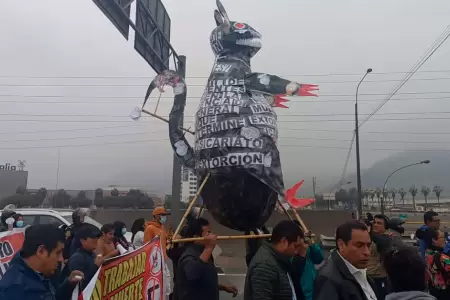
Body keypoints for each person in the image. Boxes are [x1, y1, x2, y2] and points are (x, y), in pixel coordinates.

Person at [0, 224, 84, 299]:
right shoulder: (14, 291)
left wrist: (69, 284)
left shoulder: (39, 273)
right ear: (41, 251)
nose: (61, 259)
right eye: (58, 252)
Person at [177, 217, 238, 300]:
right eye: (208, 233)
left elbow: (201, 281)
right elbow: (193, 275)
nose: (212, 235)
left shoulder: (202, 251)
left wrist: (221, 287)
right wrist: (209, 248)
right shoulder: (189, 256)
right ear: (196, 237)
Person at [314, 221, 376, 300]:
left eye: (368, 245)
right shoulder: (329, 280)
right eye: (359, 245)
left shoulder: (359, 270)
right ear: (341, 245)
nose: (367, 252)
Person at [244, 220, 305, 300]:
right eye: (296, 246)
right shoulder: (265, 266)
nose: (296, 251)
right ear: (284, 241)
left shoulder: (279, 260)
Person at [67, 224, 104, 290]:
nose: (96, 240)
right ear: (82, 240)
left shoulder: (92, 255)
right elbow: (80, 284)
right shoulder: (77, 258)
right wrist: (96, 266)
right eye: (93, 237)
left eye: (97, 237)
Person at [292, 221, 324, 300]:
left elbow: (319, 259)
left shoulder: (307, 248)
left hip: (315, 291)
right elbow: (295, 272)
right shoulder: (291, 252)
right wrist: (301, 253)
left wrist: (312, 244)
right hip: (304, 295)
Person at [368, 214, 391, 300]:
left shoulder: (386, 239)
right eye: (374, 222)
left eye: (379, 223)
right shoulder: (371, 237)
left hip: (379, 277)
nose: (375, 225)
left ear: (386, 227)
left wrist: (369, 231)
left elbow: (382, 242)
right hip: (367, 276)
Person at [424, 228, 450, 299]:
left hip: (433, 288)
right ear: (434, 240)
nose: (445, 240)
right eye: (442, 237)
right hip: (445, 291)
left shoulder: (428, 252)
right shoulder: (441, 257)